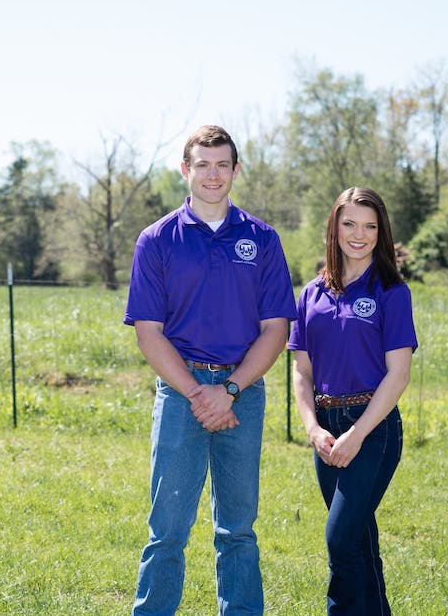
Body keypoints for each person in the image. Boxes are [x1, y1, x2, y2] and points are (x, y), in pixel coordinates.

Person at [124, 124, 297, 615]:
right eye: (203, 164)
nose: (213, 174)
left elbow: (275, 329)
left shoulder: (261, 239)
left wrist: (231, 388)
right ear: (186, 170)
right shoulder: (157, 240)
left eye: (223, 164)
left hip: (243, 392)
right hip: (181, 394)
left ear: (236, 170)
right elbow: (148, 333)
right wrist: (200, 394)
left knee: (237, 529)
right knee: (168, 530)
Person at [287, 187, 417, 615]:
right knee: (358, 539)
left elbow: (398, 375)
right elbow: (301, 373)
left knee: (340, 538)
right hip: (325, 427)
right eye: (349, 224)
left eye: (369, 226)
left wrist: (357, 435)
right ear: (334, 227)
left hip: (372, 427)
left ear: (381, 233)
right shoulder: (310, 295)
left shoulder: (391, 292)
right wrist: (312, 428)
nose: (358, 235)